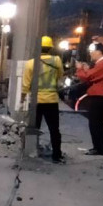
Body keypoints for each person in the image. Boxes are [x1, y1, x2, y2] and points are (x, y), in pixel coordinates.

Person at [22, 35, 64, 163]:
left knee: (33, 128)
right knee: (54, 129)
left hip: (36, 102)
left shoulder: (30, 63)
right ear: (50, 48)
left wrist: (22, 98)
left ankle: (31, 152)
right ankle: (56, 155)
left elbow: (26, 84)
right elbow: (60, 76)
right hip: (51, 100)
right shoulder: (57, 61)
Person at [76, 42, 103, 156]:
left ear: (98, 52)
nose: (90, 54)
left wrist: (80, 69)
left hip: (99, 97)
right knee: (97, 123)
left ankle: (98, 148)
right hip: (101, 97)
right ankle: (98, 147)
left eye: (92, 52)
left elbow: (87, 77)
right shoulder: (102, 64)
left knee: (95, 123)